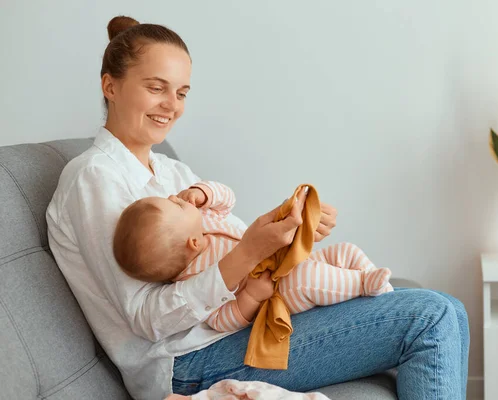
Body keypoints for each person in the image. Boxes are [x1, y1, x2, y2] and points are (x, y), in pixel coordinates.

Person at [46, 15, 470, 400]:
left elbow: (225, 248)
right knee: (431, 317)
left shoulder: (171, 171)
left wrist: (288, 230)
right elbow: (146, 318)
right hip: (187, 362)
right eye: (156, 88)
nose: (172, 105)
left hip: (237, 324)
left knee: (452, 310)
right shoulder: (93, 179)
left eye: (181, 92)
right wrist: (250, 251)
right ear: (110, 86)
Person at [112, 180, 394, 333]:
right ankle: (362, 284)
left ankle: (385, 293)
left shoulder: (209, 219)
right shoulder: (194, 279)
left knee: (346, 251)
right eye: (176, 206)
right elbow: (221, 320)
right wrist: (251, 298)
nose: (176, 197)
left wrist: (203, 192)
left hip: (286, 262)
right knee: (307, 279)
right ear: (193, 242)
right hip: (277, 290)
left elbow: (228, 198)